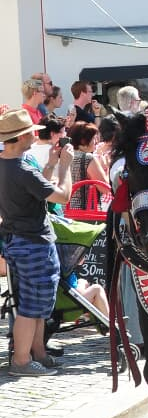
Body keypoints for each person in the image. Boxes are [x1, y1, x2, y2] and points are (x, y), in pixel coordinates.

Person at [0, 109, 73, 376]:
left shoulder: (7, 164)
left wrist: (52, 164)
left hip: (16, 240)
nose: (36, 134)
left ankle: (38, 354)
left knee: (37, 304)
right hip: (33, 243)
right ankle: (21, 361)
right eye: (31, 131)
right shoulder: (21, 169)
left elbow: (34, 189)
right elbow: (63, 197)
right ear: (20, 137)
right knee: (32, 308)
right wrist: (66, 165)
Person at [67, 121, 107, 210]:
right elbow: (105, 188)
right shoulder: (87, 158)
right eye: (93, 138)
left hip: (64, 210)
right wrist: (106, 166)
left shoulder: (63, 155)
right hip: (85, 212)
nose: (96, 142)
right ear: (84, 141)